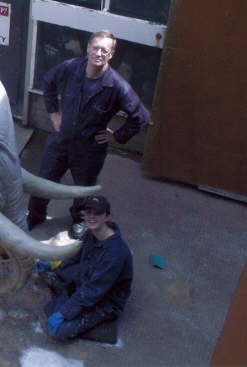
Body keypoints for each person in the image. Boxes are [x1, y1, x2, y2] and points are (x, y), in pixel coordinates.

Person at [27, 30, 149, 239]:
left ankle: (79, 219)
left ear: (111, 55)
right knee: (45, 181)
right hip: (60, 141)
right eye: (96, 47)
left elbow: (141, 116)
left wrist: (116, 136)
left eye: (105, 50)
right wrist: (54, 112)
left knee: (84, 189)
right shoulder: (72, 67)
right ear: (88, 48)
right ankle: (35, 215)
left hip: (89, 149)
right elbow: (49, 82)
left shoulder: (117, 86)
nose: (99, 53)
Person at [36, 195, 133, 341]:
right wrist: (54, 263)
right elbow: (76, 255)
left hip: (105, 298)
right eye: (89, 212)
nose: (92, 217)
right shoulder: (91, 233)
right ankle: (66, 296)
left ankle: (97, 323)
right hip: (88, 275)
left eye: (97, 213)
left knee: (59, 330)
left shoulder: (114, 254)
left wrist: (64, 312)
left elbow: (93, 291)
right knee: (51, 275)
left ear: (107, 217)